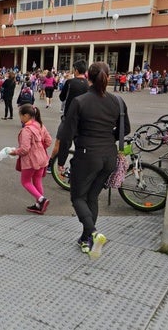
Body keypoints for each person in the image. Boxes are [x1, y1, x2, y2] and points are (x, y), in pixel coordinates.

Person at [57, 62, 130, 258]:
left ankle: (94, 233)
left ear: (88, 75)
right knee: (92, 197)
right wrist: (108, 138)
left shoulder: (80, 102)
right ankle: (85, 239)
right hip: (109, 156)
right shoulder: (118, 101)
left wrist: (60, 160)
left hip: (87, 155)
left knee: (77, 197)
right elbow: (126, 130)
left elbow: (66, 135)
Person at [6, 105, 52, 214]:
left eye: (21, 116)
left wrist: (13, 152)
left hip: (31, 160)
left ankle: (41, 200)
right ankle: (39, 205)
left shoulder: (27, 130)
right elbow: (48, 141)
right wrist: (40, 149)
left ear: (26, 115)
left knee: (25, 181)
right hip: (42, 158)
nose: (20, 118)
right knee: (37, 180)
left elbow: (25, 149)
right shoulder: (40, 125)